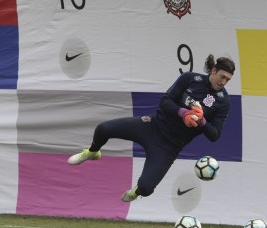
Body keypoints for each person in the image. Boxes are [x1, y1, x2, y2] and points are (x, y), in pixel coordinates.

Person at [68, 54, 235, 202]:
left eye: (228, 79)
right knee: (103, 129)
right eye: (222, 76)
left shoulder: (223, 101)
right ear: (213, 70)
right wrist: (183, 113)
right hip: (152, 126)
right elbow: (165, 102)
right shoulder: (190, 78)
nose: (223, 82)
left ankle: (136, 191)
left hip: (169, 146)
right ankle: (92, 152)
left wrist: (201, 121)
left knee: (146, 189)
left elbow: (215, 135)